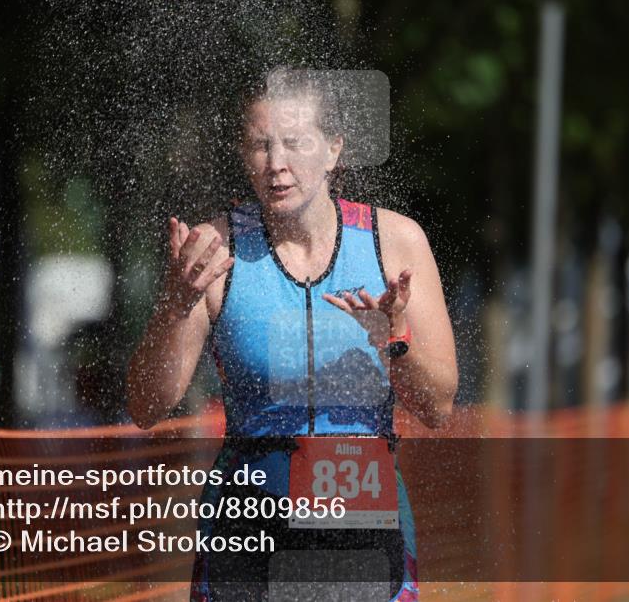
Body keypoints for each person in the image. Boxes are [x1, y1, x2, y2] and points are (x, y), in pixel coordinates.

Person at [127, 68, 458, 601]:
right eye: (261, 145)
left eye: (295, 143)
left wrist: (394, 341)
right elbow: (146, 406)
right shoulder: (214, 250)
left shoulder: (395, 242)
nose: (277, 164)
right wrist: (174, 305)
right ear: (243, 154)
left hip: (363, 526)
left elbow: (438, 406)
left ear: (333, 149)